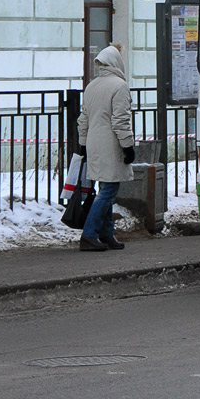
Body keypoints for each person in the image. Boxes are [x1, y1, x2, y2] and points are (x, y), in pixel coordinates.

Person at [76, 43, 136, 252]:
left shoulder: (92, 86)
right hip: (111, 144)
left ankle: (106, 233)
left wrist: (83, 143)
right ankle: (89, 234)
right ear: (117, 62)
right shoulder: (119, 86)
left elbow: (83, 119)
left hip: (94, 142)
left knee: (105, 188)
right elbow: (121, 120)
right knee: (108, 190)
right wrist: (128, 146)